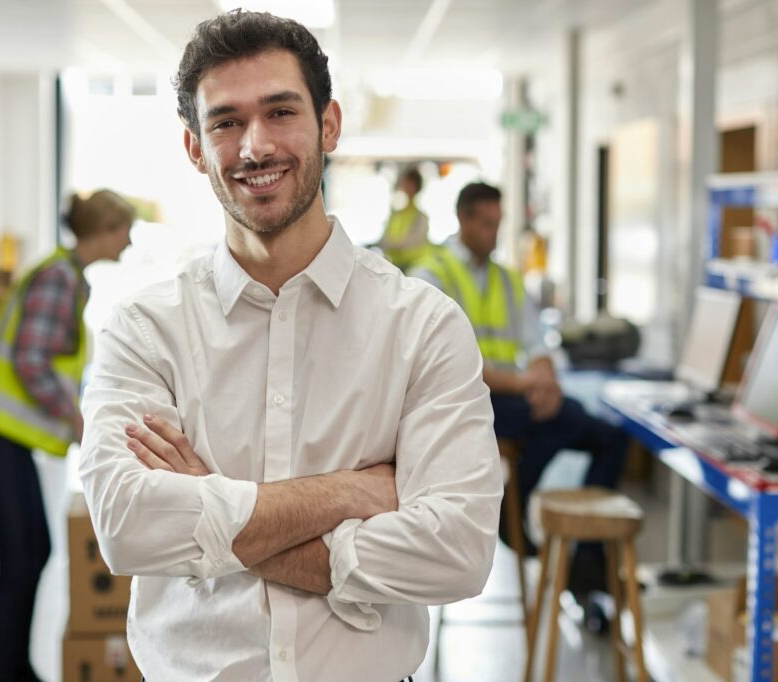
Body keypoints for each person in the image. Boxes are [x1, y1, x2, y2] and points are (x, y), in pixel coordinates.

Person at [78, 11, 501, 682]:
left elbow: (458, 552)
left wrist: (209, 512)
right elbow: (129, 525)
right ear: (195, 147)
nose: (254, 146)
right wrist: (350, 494)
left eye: (280, 112)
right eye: (225, 122)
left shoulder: (421, 326)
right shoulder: (144, 331)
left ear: (328, 125)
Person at [411, 182, 629, 590]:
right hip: (461, 406)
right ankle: (509, 511)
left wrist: (544, 379)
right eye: (487, 224)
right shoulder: (431, 276)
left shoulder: (508, 280)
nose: (494, 233)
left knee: (610, 438)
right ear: (464, 219)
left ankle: (586, 559)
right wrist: (525, 382)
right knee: (565, 419)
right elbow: (451, 363)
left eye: (498, 223)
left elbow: (534, 343)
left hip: (516, 399)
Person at [0, 189, 135, 682]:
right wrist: (74, 420)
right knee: (21, 558)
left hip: (2, 437)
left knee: (34, 550)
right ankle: (4, 675)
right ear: (104, 230)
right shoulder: (59, 279)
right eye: (126, 230)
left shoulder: (69, 278)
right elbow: (30, 360)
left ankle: (17, 668)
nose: (130, 241)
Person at [379, 166, 431, 271]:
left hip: (414, 267)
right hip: (395, 265)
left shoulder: (421, 217)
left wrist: (394, 245)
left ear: (417, 186)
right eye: (405, 183)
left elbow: (414, 243)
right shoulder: (395, 214)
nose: (407, 186)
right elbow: (385, 239)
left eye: (410, 183)